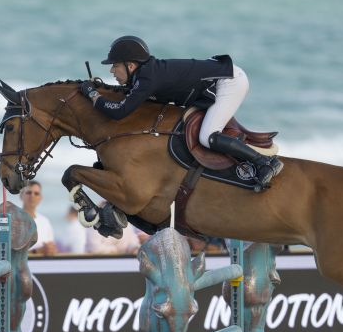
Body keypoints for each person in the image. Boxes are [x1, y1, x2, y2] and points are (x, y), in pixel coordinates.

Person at [79, 35, 282, 190]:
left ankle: (264, 162)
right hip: (215, 80)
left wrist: (92, 94)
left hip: (229, 81)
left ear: (130, 65)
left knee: (207, 137)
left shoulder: (147, 78)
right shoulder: (144, 76)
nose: (112, 71)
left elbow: (120, 111)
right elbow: (131, 99)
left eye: (115, 66)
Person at [21, 181, 56, 255]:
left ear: (40, 198)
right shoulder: (12, 220)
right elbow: (9, 254)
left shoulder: (45, 221)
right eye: (29, 192)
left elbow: (50, 247)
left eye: (36, 193)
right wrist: (37, 252)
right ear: (21, 195)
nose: (32, 196)